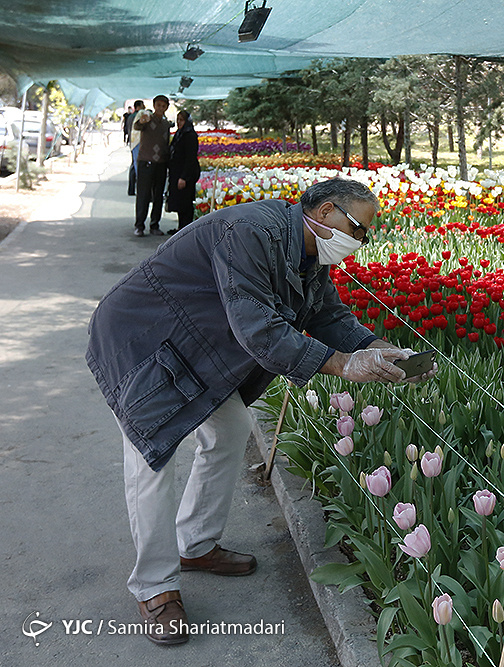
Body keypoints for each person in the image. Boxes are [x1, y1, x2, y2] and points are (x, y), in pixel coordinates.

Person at [85, 177, 436, 646]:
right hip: (144, 340)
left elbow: (326, 315)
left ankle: (195, 545)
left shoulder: (307, 250)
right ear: (328, 212)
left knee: (228, 429)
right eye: (360, 227)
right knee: (153, 456)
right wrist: (342, 365)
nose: (363, 240)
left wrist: (377, 348)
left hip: (199, 344)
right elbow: (259, 328)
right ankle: (156, 587)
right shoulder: (250, 232)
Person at [133, 95, 172, 236]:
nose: (160, 108)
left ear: (166, 108)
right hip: (145, 162)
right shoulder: (147, 119)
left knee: (158, 196)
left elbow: (166, 143)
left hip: (161, 163)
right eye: (158, 105)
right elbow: (137, 126)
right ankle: (139, 225)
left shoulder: (166, 124)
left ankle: (154, 225)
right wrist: (142, 121)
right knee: (143, 195)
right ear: (154, 105)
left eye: (163, 106)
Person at [165, 111, 200, 233]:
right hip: (177, 172)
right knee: (179, 202)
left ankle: (186, 229)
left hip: (186, 174)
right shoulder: (180, 133)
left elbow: (190, 158)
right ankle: (181, 228)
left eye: (182, 120)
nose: (179, 122)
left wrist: (184, 177)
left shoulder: (190, 135)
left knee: (185, 202)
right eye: (178, 119)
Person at [125, 100, 145, 197]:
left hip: (132, 142)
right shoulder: (139, 116)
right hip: (138, 142)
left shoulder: (130, 116)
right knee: (137, 165)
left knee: (133, 165)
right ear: (138, 107)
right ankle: (138, 188)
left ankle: (131, 189)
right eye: (142, 105)